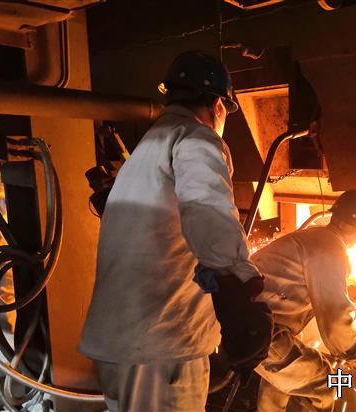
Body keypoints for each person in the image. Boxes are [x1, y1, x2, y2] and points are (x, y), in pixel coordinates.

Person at [78, 51, 272, 412]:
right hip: (161, 345)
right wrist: (242, 292)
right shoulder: (196, 138)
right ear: (218, 105)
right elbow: (207, 211)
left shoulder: (148, 147)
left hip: (124, 345)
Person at [252, 190, 356, 412]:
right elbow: (334, 323)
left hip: (246, 322)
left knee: (286, 378)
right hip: (260, 330)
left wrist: (355, 293)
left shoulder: (315, 238)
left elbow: (310, 286)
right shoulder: (330, 248)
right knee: (324, 384)